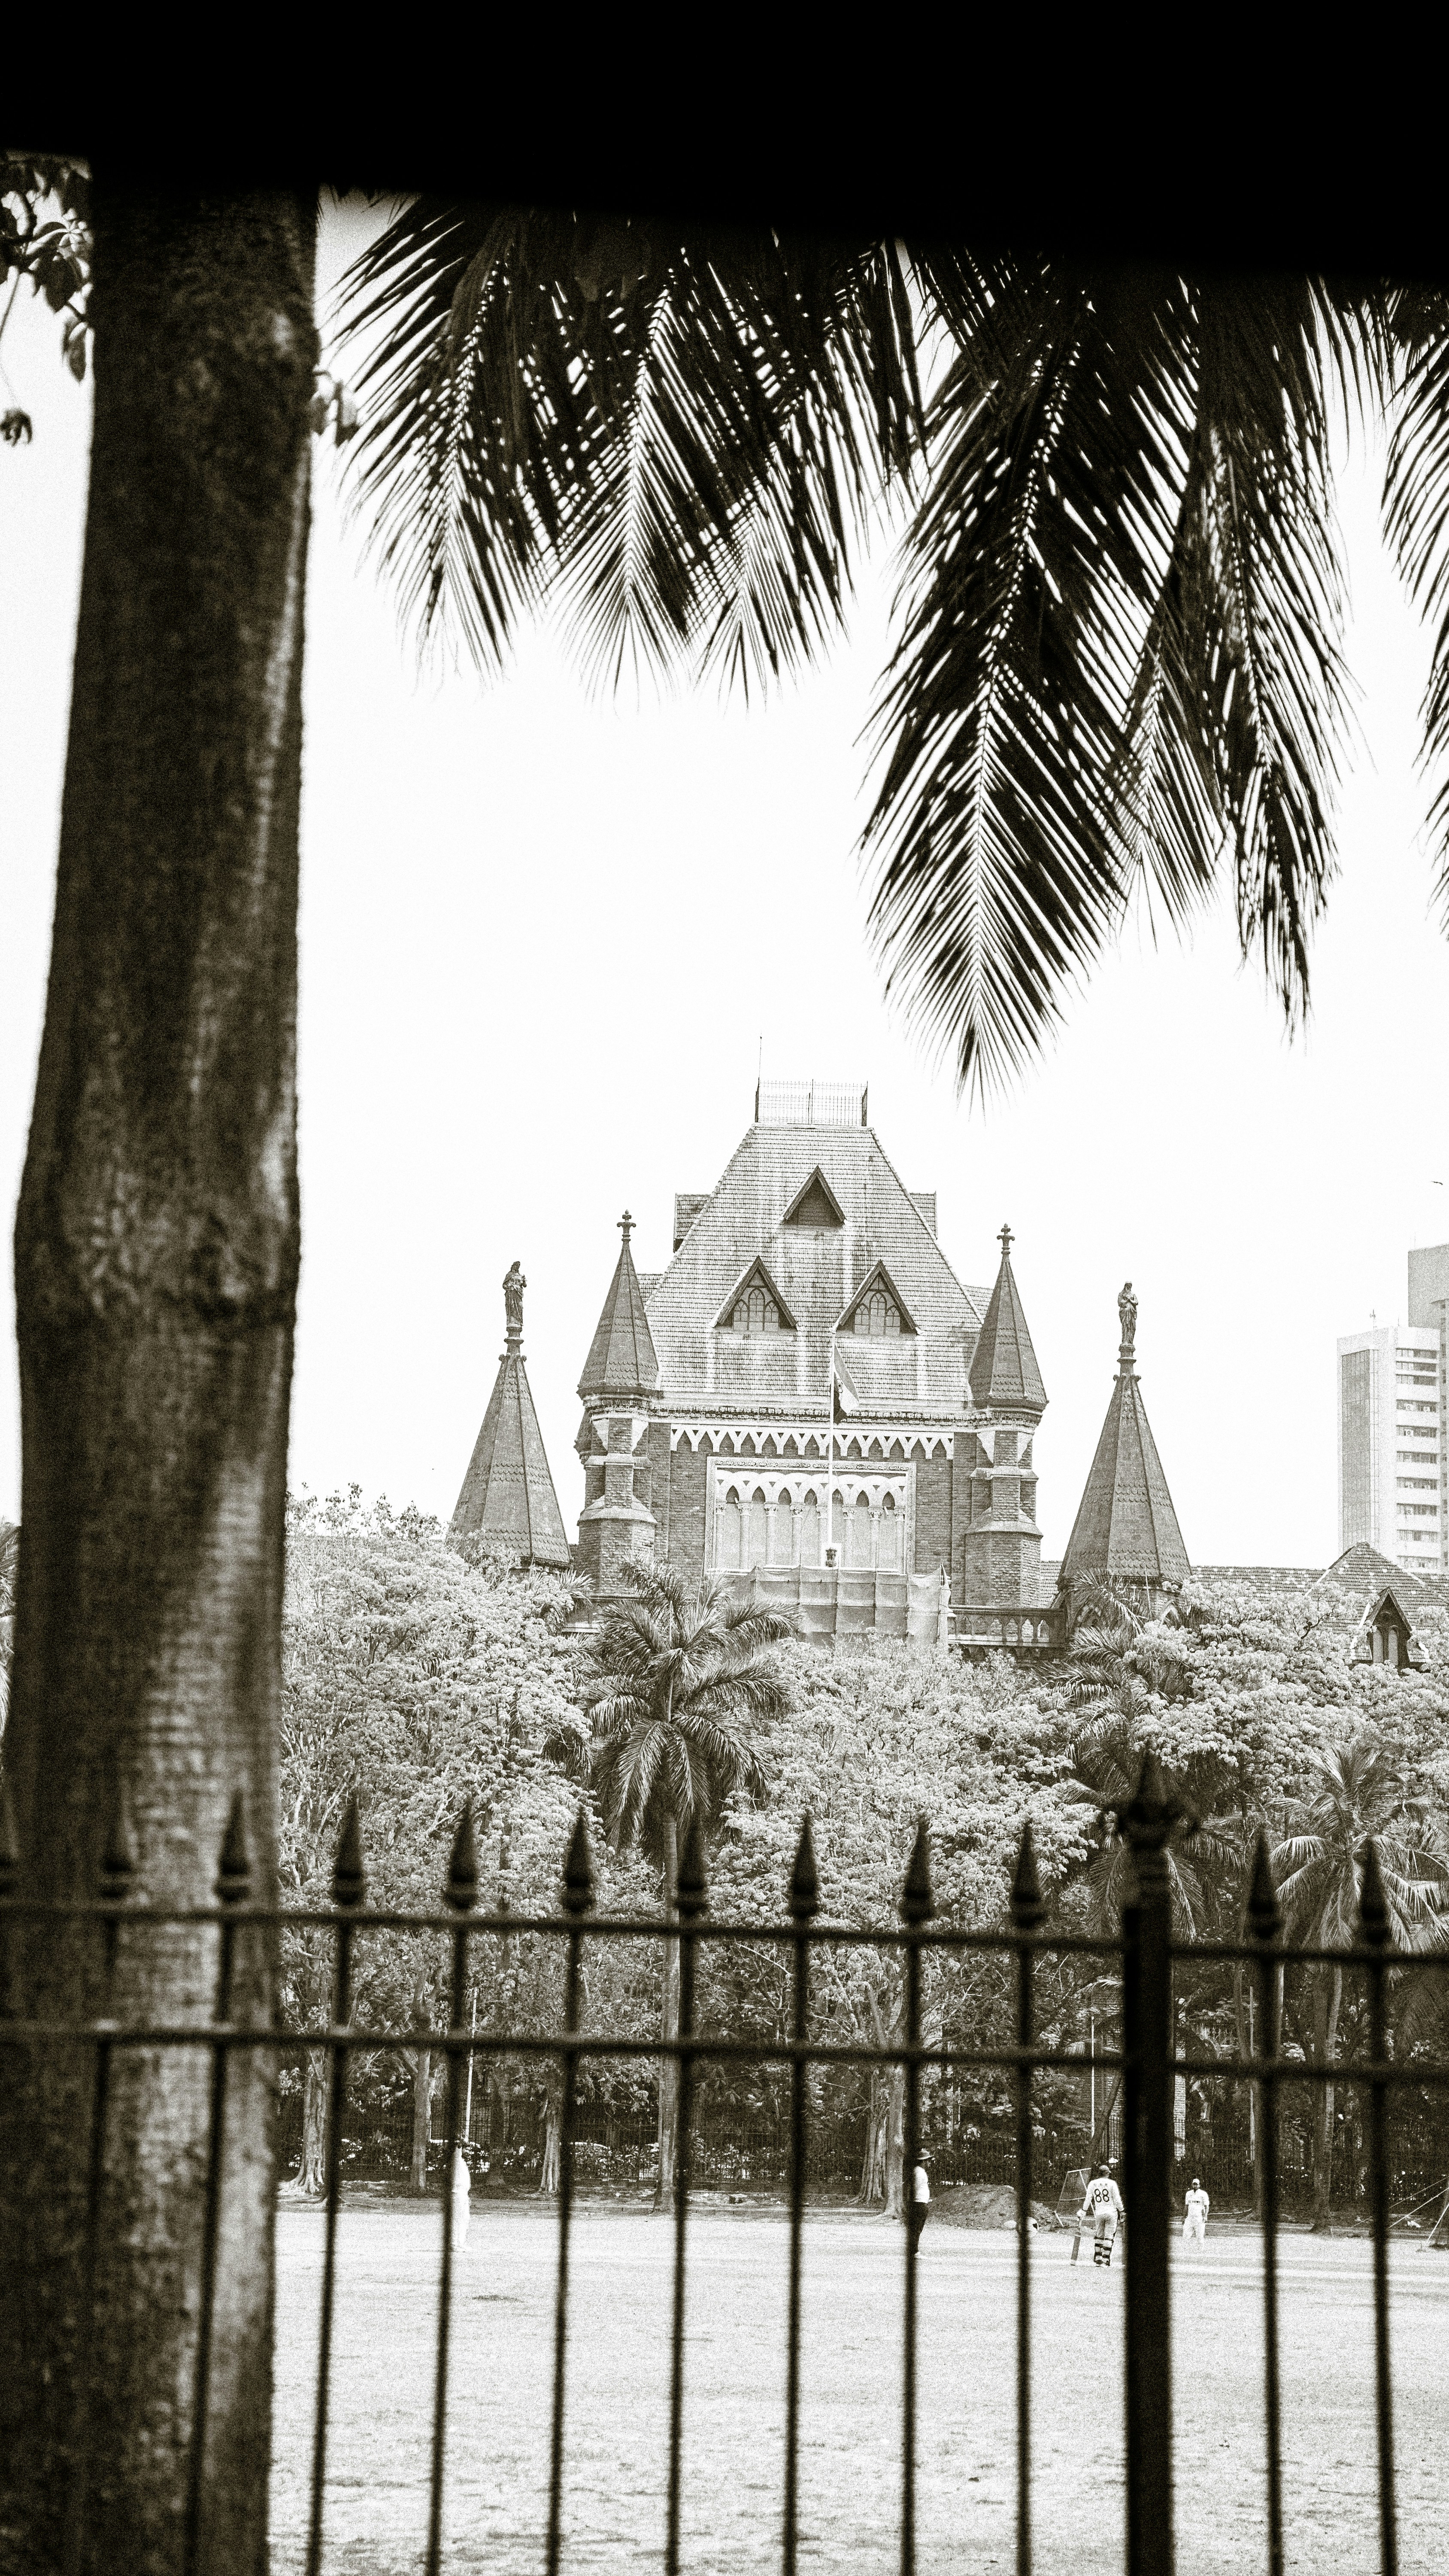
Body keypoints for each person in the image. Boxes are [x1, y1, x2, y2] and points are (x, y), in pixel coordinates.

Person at [1079, 2163, 1125, 2269]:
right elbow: (1117, 2200)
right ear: (1107, 2174)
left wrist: (1084, 2212)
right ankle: (1106, 2260)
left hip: (1099, 2213)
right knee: (1109, 2237)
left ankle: (1098, 2260)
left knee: (1099, 2236)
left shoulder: (1092, 2184)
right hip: (1112, 2213)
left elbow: (1088, 2199)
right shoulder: (1112, 2183)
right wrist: (1122, 2210)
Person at [907, 2153, 931, 2250]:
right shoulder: (920, 2172)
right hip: (919, 2204)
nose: (930, 2163)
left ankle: (914, 2249)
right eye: (928, 2161)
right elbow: (914, 2188)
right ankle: (914, 2250)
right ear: (924, 2161)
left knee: (917, 2229)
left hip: (921, 2202)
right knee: (917, 2229)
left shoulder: (919, 2171)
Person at [451, 2144, 472, 2251]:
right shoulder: (457, 2160)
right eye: (466, 2149)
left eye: (469, 2150)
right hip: (456, 2193)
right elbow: (457, 2149)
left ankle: (460, 2243)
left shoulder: (463, 2163)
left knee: (465, 2219)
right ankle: (453, 2244)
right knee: (457, 2219)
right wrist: (461, 2143)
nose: (468, 2152)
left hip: (463, 2194)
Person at [1183, 2176, 1210, 2247]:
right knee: (1186, 2236)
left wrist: (1206, 2216)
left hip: (1199, 2218)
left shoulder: (1203, 2194)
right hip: (1190, 2218)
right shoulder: (1189, 2194)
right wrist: (1184, 2217)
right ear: (1192, 2185)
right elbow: (1186, 2206)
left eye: (1197, 2184)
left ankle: (1200, 2252)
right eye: (1194, 2184)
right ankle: (1185, 2252)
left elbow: (1207, 2206)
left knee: (1200, 2237)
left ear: (1199, 2185)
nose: (1195, 2186)